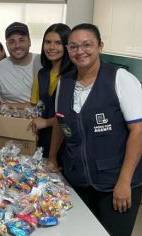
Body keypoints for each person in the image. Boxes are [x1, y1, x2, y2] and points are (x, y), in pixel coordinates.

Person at [48, 23, 142, 236]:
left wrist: (124, 181)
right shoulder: (65, 82)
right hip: (78, 180)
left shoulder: (120, 79)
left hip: (114, 182)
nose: (80, 51)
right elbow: (59, 123)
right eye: (73, 46)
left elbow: (138, 131)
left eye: (87, 45)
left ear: (100, 46)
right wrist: (52, 156)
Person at [0, 22, 41, 133]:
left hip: (45, 124)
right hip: (15, 127)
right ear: (6, 45)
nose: (17, 46)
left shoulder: (42, 63)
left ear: (29, 42)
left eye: (21, 40)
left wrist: (5, 104)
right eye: (12, 42)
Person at [29, 23, 73, 158]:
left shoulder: (74, 75)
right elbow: (35, 106)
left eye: (58, 43)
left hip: (67, 142)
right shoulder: (42, 74)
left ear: (67, 46)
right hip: (44, 140)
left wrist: (46, 122)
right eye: (48, 42)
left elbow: (76, 116)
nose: (51, 47)